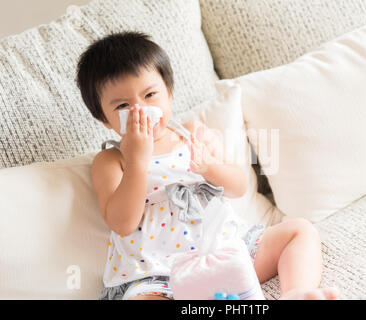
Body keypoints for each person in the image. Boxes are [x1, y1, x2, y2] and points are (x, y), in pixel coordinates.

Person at [76, 31, 338, 300]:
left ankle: (296, 293)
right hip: (160, 274)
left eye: (150, 95)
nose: (141, 111)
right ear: (105, 119)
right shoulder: (112, 160)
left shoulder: (192, 134)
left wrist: (209, 168)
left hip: (227, 251)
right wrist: (136, 162)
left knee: (300, 231)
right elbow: (122, 223)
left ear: (169, 93)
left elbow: (238, 186)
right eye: (123, 105)